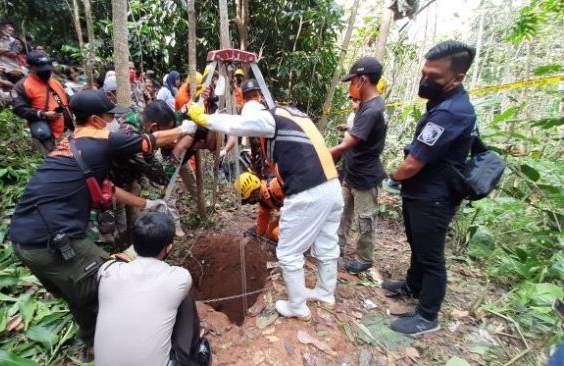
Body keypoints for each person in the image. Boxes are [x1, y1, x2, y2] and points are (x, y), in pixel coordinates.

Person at [9, 89, 198, 348]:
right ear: (96, 121)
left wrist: (148, 203)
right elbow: (148, 142)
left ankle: (91, 343)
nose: (114, 124)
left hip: (24, 240)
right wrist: (183, 130)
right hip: (53, 239)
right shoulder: (100, 141)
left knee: (81, 296)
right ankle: (126, 344)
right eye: (109, 118)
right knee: (111, 282)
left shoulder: (71, 145)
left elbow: (108, 187)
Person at [187, 79, 343, 319]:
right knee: (326, 243)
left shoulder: (268, 117)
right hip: (331, 185)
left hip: (308, 189)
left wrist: (206, 118)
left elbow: (237, 124)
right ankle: (325, 291)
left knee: (289, 252)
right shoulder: (294, 114)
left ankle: (297, 307)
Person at [386, 40, 478, 336]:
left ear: (458, 78)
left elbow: (414, 162)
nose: (426, 80)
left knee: (431, 256)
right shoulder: (442, 104)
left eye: (434, 77)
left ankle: (427, 316)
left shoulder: (451, 112)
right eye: (425, 73)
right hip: (421, 192)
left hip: (433, 196)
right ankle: (412, 286)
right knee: (417, 244)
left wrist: (393, 176)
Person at [95, 212, 212, 366]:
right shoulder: (178, 278)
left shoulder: (107, 270)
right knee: (185, 300)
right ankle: (189, 360)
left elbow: (125, 258)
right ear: (169, 247)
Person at [328, 57, 387, 275]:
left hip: (365, 176)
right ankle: (336, 249)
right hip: (351, 172)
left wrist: (328, 154)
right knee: (341, 213)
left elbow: (350, 142)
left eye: (352, 81)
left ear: (363, 80)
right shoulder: (366, 105)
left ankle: (364, 259)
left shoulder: (373, 109)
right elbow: (355, 133)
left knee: (365, 219)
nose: (351, 87)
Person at [12, 51, 73, 156]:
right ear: (29, 67)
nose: (45, 72)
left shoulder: (55, 82)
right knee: (55, 164)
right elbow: (19, 109)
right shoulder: (22, 86)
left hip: (67, 131)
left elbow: (67, 100)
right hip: (48, 135)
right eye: (40, 69)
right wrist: (43, 115)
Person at [235, 171, 284, 242]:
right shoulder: (264, 198)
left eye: (249, 199)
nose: (250, 201)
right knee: (271, 231)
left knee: (277, 233)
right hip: (294, 213)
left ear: (253, 192)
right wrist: (257, 234)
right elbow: (263, 217)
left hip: (301, 210)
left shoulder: (274, 186)